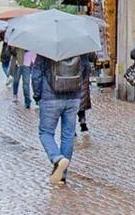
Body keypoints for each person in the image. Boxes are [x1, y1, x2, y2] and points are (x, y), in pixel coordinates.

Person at [34, 50, 92, 185]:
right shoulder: (80, 47)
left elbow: (36, 74)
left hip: (50, 97)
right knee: (68, 136)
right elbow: (85, 70)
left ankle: (57, 158)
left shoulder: (45, 47)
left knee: (45, 133)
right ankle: (62, 175)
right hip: (73, 97)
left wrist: (37, 96)